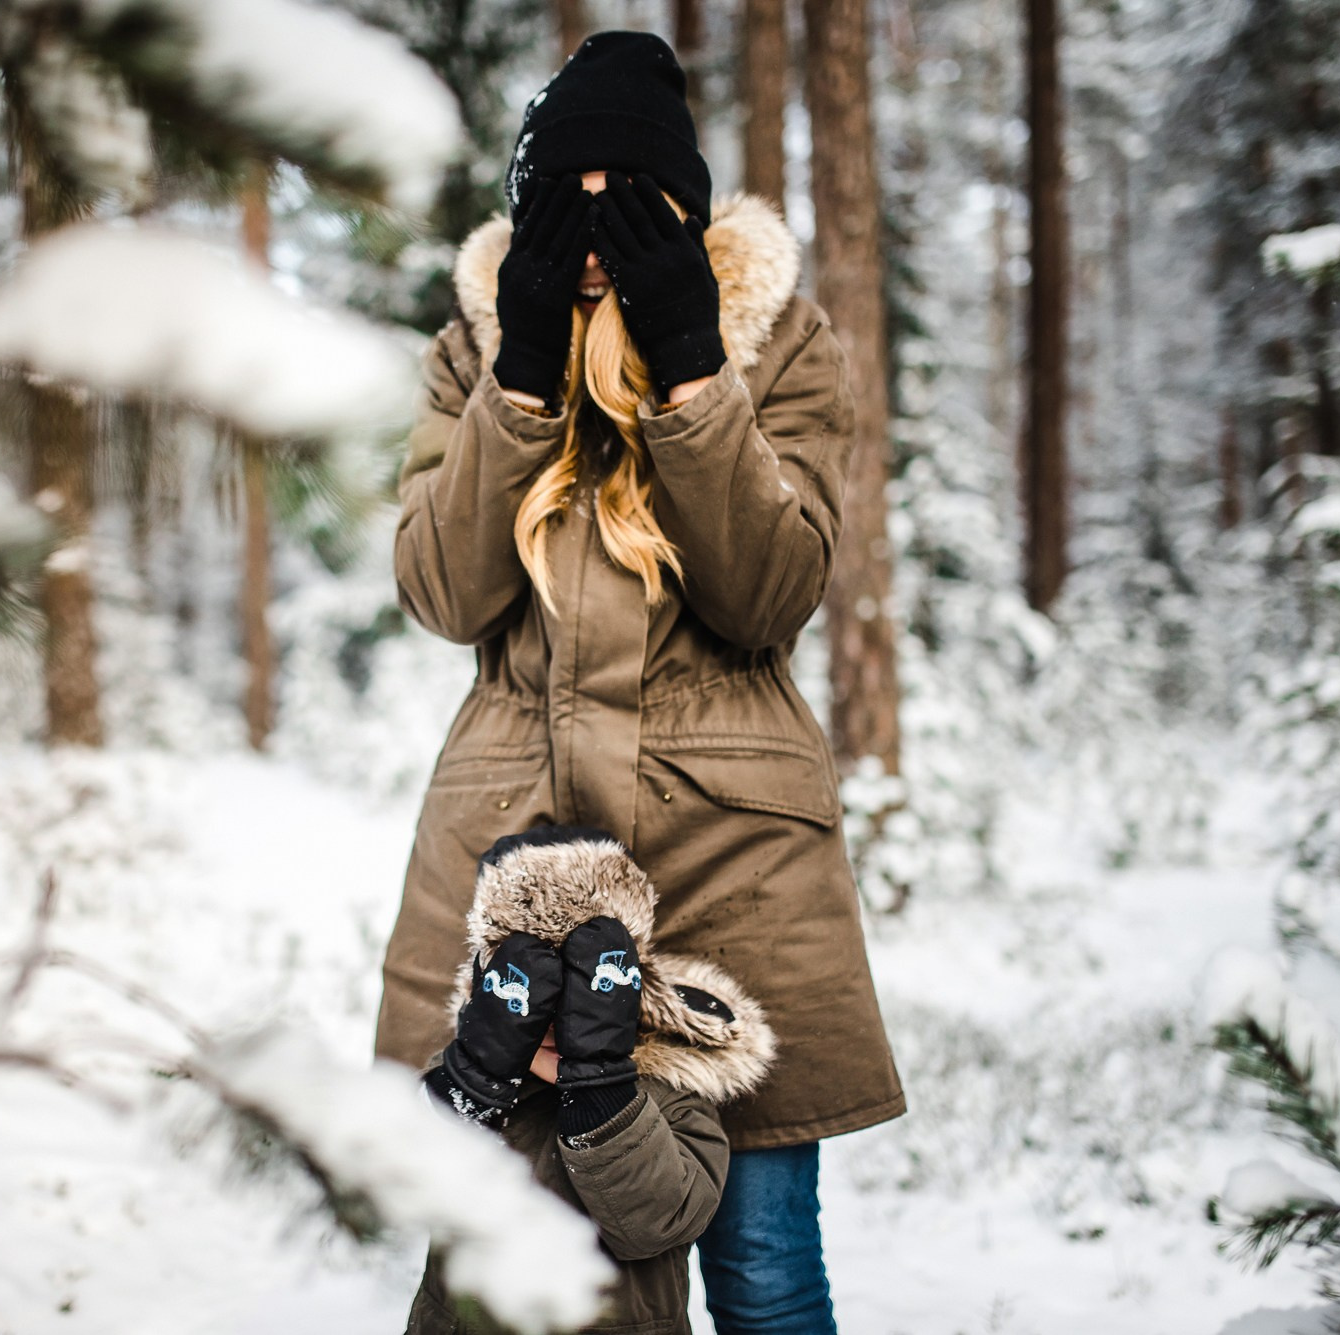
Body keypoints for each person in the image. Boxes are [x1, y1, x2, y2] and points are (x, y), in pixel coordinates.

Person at [374, 29, 906, 1335]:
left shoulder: (780, 341)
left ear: (683, 207)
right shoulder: (475, 348)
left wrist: (690, 369)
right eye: (569, 196)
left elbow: (770, 593)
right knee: (522, 1254)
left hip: (736, 862)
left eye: (631, 197)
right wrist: (519, 379)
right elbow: (442, 592)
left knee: (763, 1263)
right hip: (518, 860)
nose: (597, 229)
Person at [408, 826, 774, 1334]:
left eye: (585, 991)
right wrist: (476, 1079)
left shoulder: (674, 1085)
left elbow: (662, 1221)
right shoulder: (463, 1075)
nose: (560, 1018)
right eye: (535, 988)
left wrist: (602, 1085)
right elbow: (401, 1187)